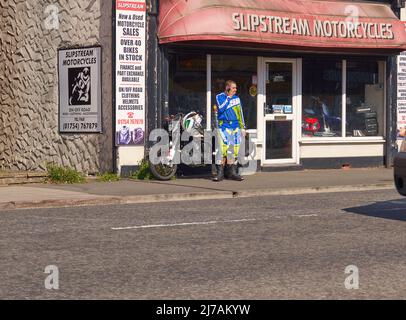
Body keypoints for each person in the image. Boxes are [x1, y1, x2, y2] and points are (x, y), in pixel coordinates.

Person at [213, 80, 246, 182]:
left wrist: (242, 127)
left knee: (233, 150)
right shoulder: (220, 97)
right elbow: (221, 109)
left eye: (236, 88)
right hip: (224, 126)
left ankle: (231, 173)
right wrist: (228, 97)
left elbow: (240, 113)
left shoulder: (237, 99)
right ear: (227, 88)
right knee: (222, 150)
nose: (235, 90)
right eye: (233, 88)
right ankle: (220, 173)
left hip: (235, 126)